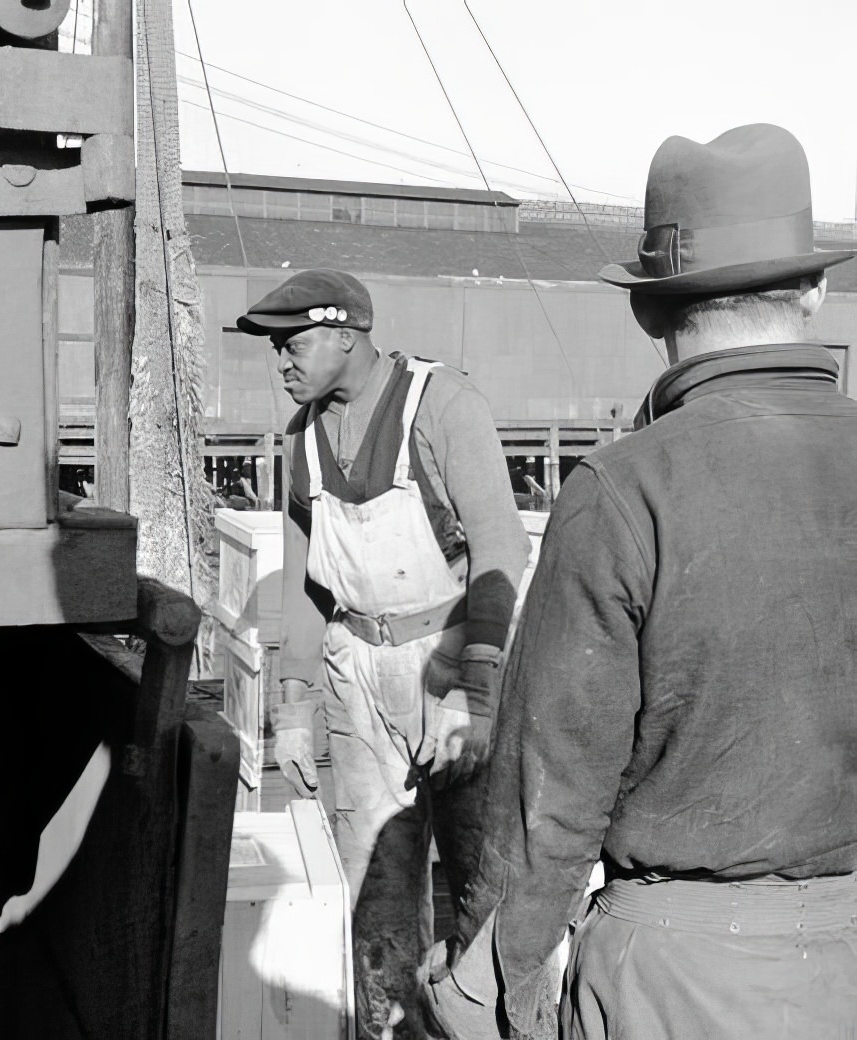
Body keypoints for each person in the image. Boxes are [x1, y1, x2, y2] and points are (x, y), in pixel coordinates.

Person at [420, 123, 857, 1040]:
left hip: (682, 974)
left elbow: (552, 790)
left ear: (648, 312)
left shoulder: (621, 493)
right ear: (816, 290)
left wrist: (493, 978)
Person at [236, 269, 530, 1039]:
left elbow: (500, 547)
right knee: (380, 889)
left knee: (483, 885)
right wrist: (292, 703)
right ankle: (395, 1030)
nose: (283, 363)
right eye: (277, 349)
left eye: (293, 344)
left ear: (345, 334)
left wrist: (480, 685)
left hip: (451, 661)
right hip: (357, 675)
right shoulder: (302, 436)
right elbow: (305, 583)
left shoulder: (443, 407)